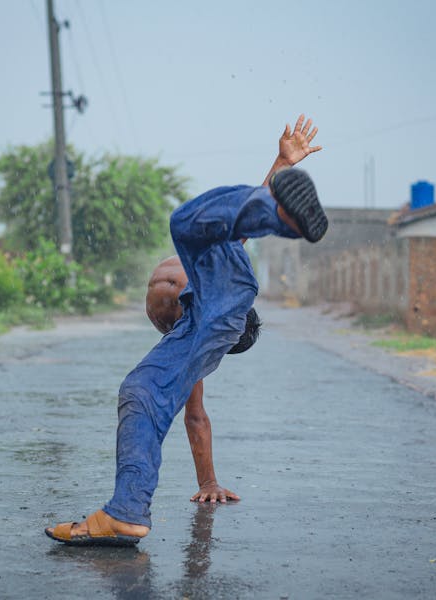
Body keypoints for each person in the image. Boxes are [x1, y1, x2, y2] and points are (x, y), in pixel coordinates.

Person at [46, 115, 327, 546]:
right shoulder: (199, 315)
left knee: (185, 223)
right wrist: (282, 161)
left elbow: (196, 417)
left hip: (219, 303)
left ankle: (125, 512)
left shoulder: (200, 332)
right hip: (222, 293)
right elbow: (237, 231)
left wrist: (210, 480)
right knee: (143, 391)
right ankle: (126, 512)